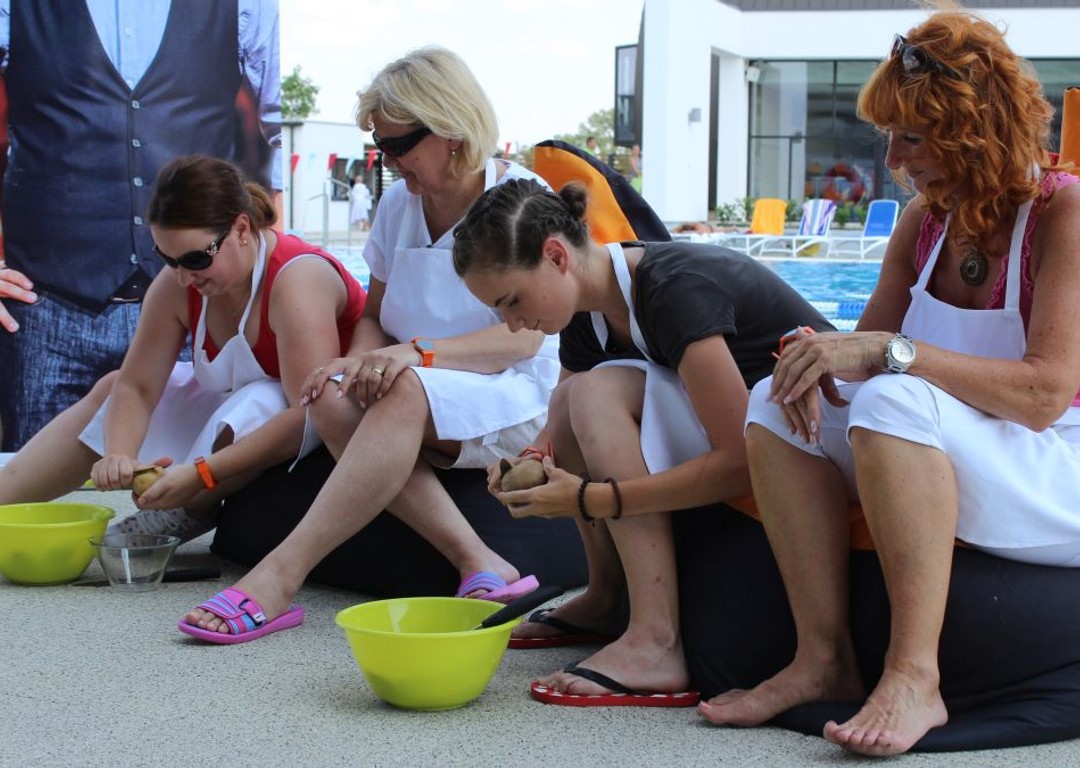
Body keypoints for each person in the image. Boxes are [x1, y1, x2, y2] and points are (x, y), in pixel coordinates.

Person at [698, 8, 1080, 757]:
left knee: (894, 393)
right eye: (891, 137)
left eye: (914, 137)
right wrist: (817, 356)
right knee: (774, 398)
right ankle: (822, 658)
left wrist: (890, 354)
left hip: (1052, 466)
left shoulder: (1063, 211)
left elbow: (1043, 396)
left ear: (975, 129)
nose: (896, 159)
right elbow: (861, 359)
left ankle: (914, 676)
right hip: (954, 450)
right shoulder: (923, 222)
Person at [179, 46, 560, 644]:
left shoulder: (522, 199)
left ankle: (279, 575)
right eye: (379, 145)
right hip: (417, 381)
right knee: (332, 395)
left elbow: (530, 335)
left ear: (451, 130)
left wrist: (414, 355)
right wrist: (353, 364)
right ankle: (480, 561)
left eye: (397, 145)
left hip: (513, 389)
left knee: (402, 391)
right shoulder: (398, 202)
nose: (386, 159)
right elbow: (377, 315)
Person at [452, 178, 834, 705]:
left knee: (596, 393)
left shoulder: (673, 288)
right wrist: (531, 460)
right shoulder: (588, 310)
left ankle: (657, 639)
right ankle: (607, 597)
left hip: (815, 435)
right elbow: (558, 420)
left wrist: (594, 499)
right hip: (759, 428)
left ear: (557, 256)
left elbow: (741, 462)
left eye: (512, 301)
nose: (512, 324)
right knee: (571, 398)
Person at [0, 155, 365, 549]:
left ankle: (186, 510)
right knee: (111, 388)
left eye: (195, 259)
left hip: (326, 421)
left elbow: (308, 415)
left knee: (261, 399)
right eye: (168, 259)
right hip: (250, 413)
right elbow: (137, 385)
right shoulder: (178, 283)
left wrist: (202, 474)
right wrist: (119, 455)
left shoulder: (297, 279)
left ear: (241, 228)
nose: (183, 276)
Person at [0, 0, 281, 452]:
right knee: (31, 485)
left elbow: (274, 126)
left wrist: (271, 274)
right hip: (46, 310)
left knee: (192, 482)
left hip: (197, 308)